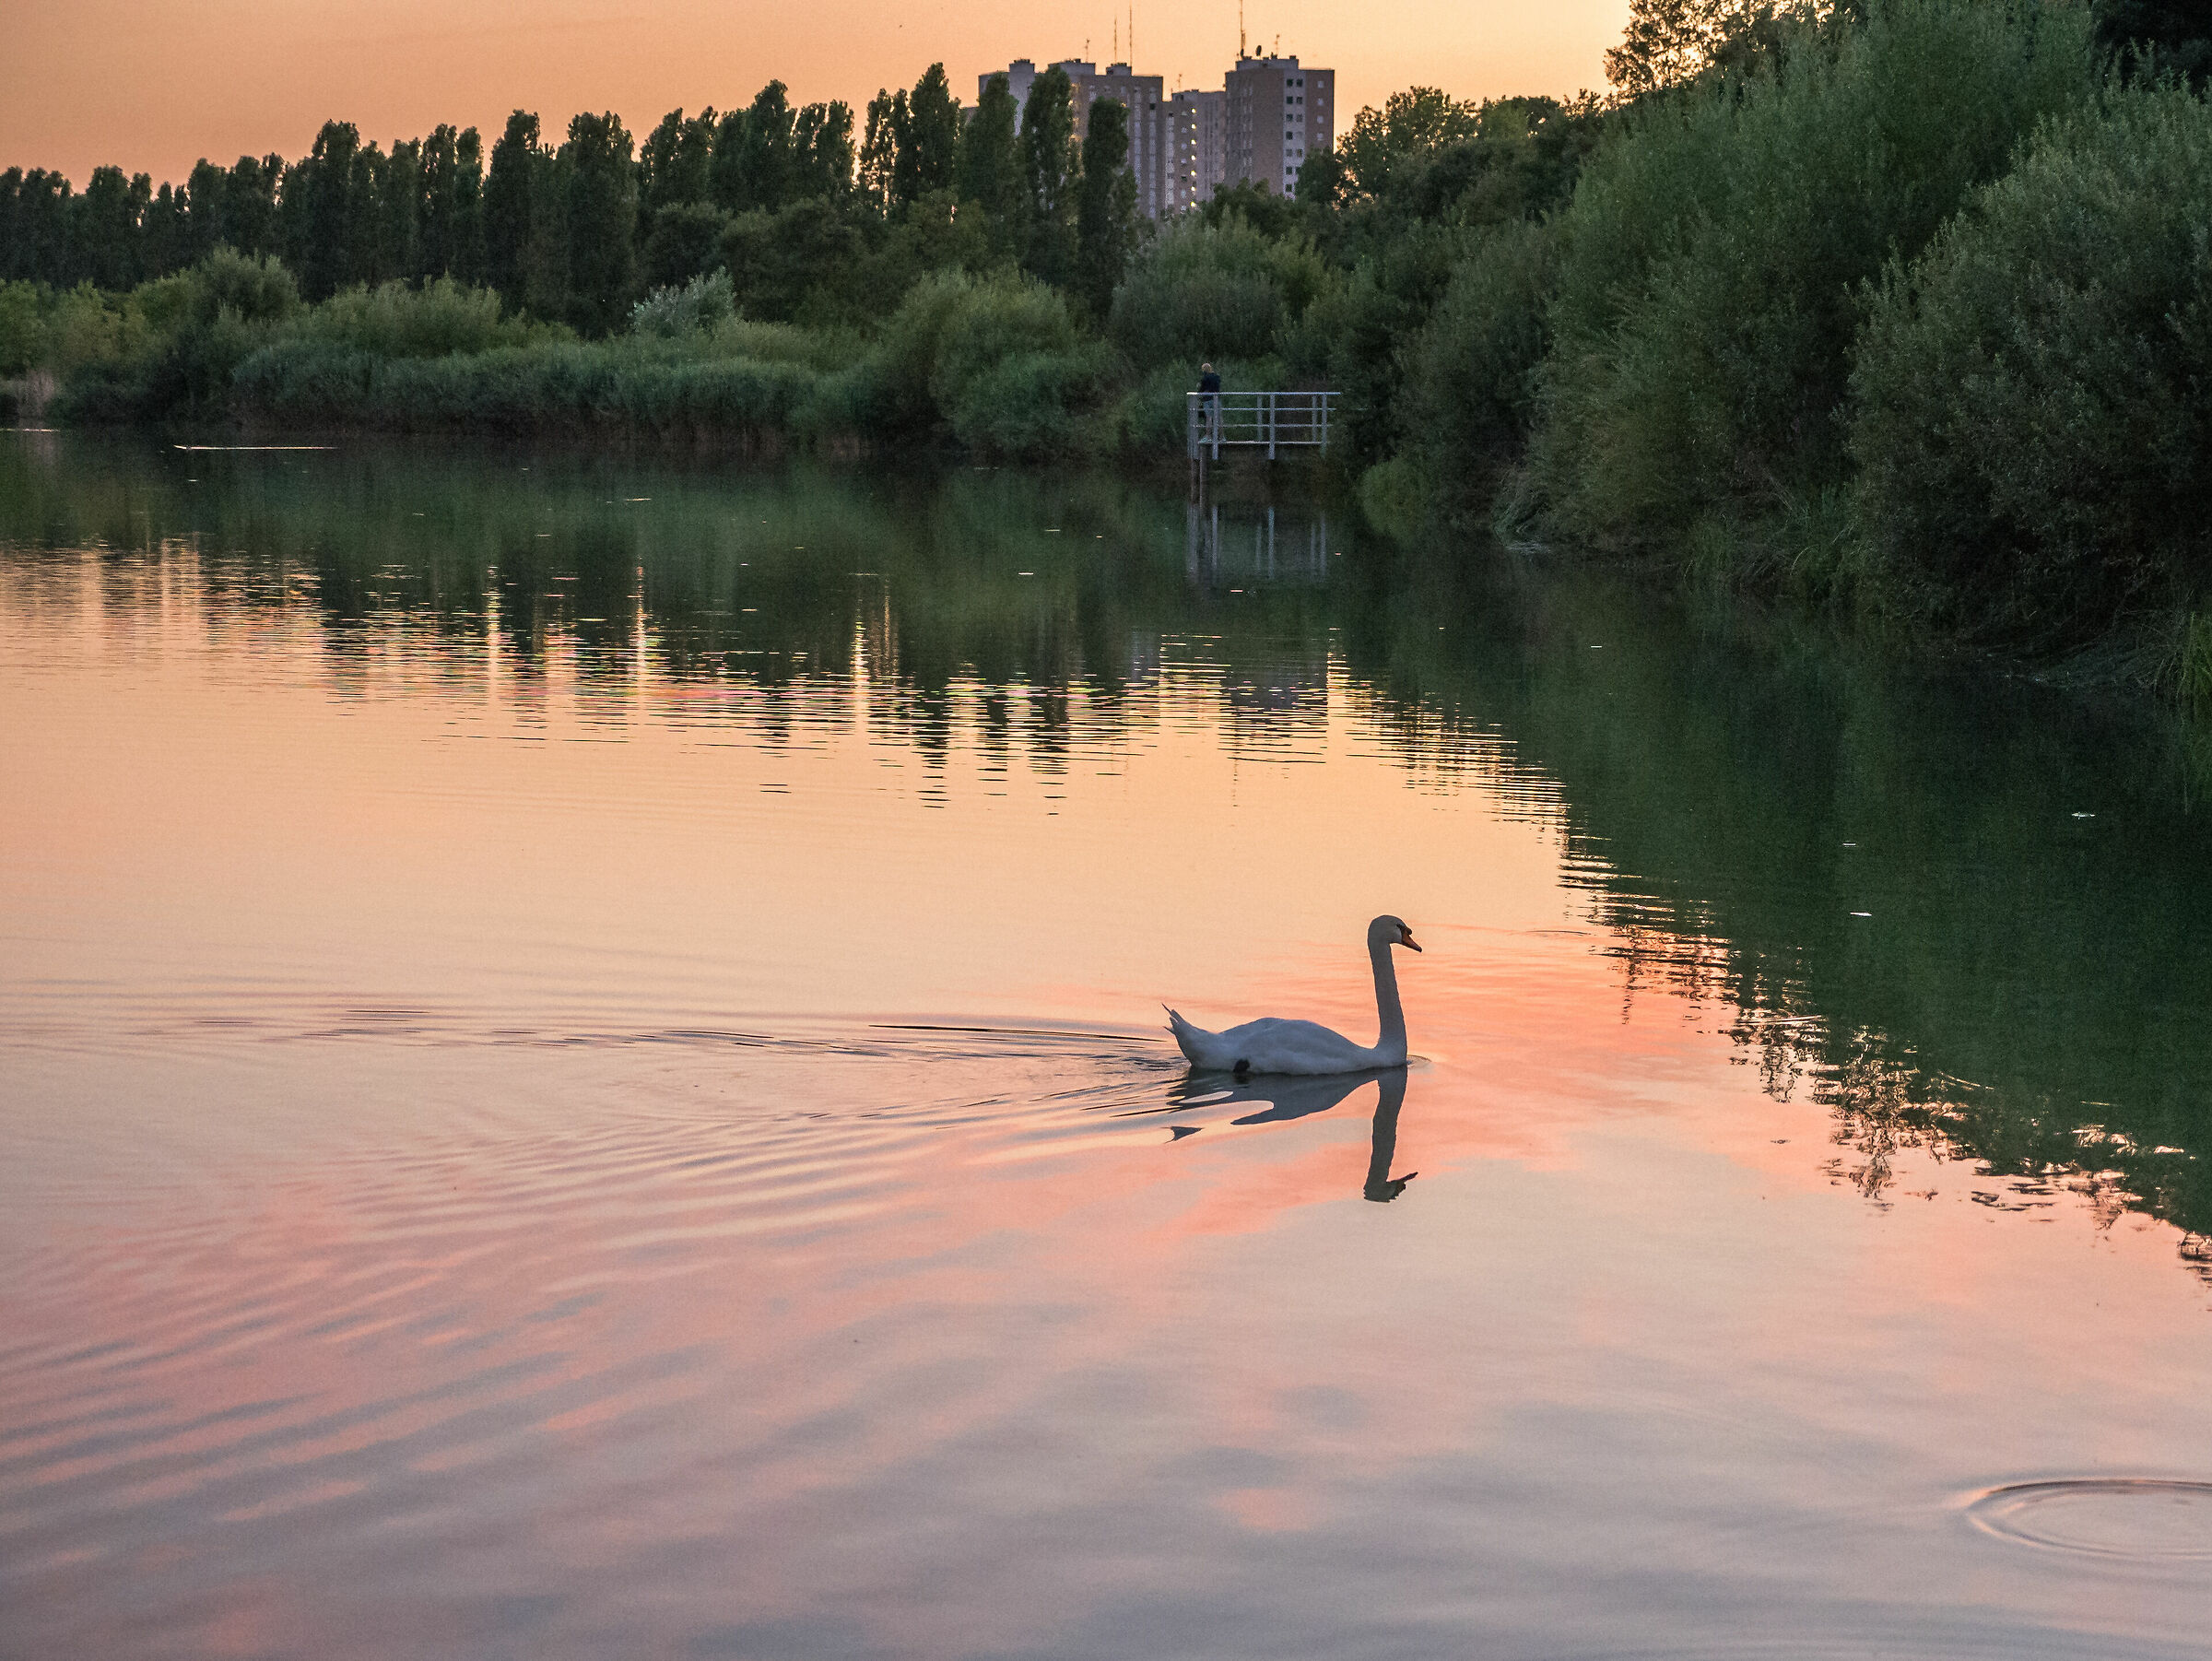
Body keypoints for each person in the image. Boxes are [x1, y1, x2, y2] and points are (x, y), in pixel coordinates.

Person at [1197, 361, 1222, 442]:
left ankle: (1208, 436)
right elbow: (1217, 388)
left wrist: (1199, 389)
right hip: (1216, 399)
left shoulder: (1205, 378)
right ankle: (1222, 437)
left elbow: (1201, 390)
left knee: (1209, 418)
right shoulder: (1217, 377)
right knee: (1219, 418)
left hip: (1207, 400)